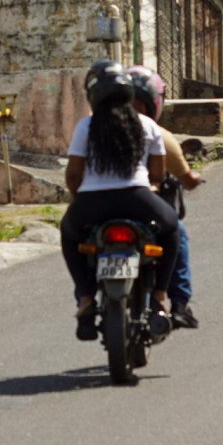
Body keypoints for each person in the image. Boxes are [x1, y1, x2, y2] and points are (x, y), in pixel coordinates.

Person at [60, 61, 181, 342]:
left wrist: (79, 199)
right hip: (137, 199)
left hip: (92, 202)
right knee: (172, 228)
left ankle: (86, 299)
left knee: (68, 233)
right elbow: (157, 174)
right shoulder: (147, 125)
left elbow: (74, 174)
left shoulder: (85, 126)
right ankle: (160, 296)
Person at [126, 65, 201, 330]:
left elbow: (75, 173)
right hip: (142, 202)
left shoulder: (93, 126)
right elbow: (173, 177)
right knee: (176, 232)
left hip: (100, 206)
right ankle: (175, 302)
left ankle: (86, 300)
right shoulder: (156, 132)